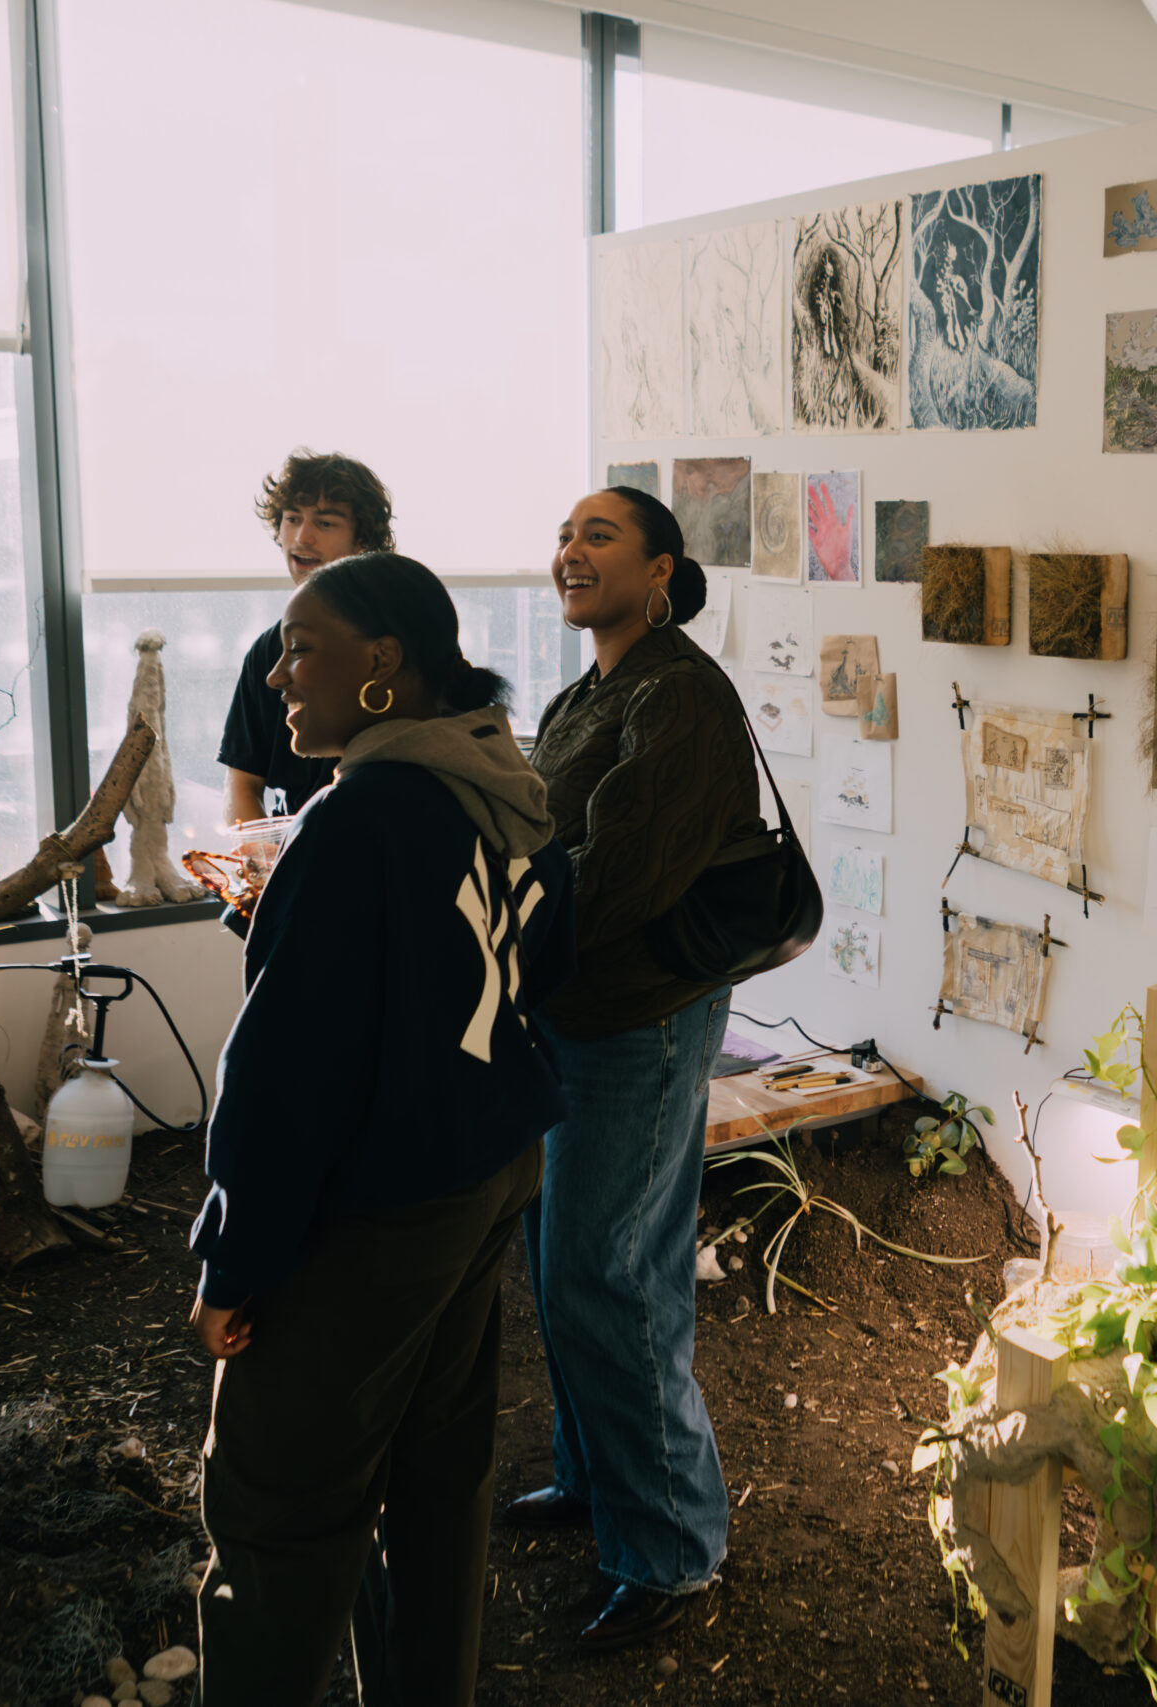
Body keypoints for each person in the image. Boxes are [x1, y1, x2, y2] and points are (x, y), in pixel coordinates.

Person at [186, 551, 572, 1707]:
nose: (277, 669)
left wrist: (233, 1259)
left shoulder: (358, 822)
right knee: (433, 1480)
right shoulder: (494, 784)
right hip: (484, 1161)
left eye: (303, 644)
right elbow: (525, 957)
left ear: (384, 665)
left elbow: (287, 1077)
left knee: (283, 1509)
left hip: (379, 1201)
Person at [507, 486, 764, 1651]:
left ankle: (667, 1549)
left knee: (606, 1274)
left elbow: (617, 876)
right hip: (567, 1010)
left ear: (660, 570)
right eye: (565, 536)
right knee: (565, 1258)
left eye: (597, 536)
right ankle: (598, 1475)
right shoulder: (586, 690)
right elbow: (540, 836)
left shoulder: (681, 697)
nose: (570, 553)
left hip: (639, 1023)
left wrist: (501, 935)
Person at [219, 450, 395, 824]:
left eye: (326, 523)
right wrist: (268, 868)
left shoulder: (400, 637)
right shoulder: (268, 650)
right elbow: (241, 784)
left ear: (362, 540)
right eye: (292, 519)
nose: (302, 537)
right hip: (292, 856)